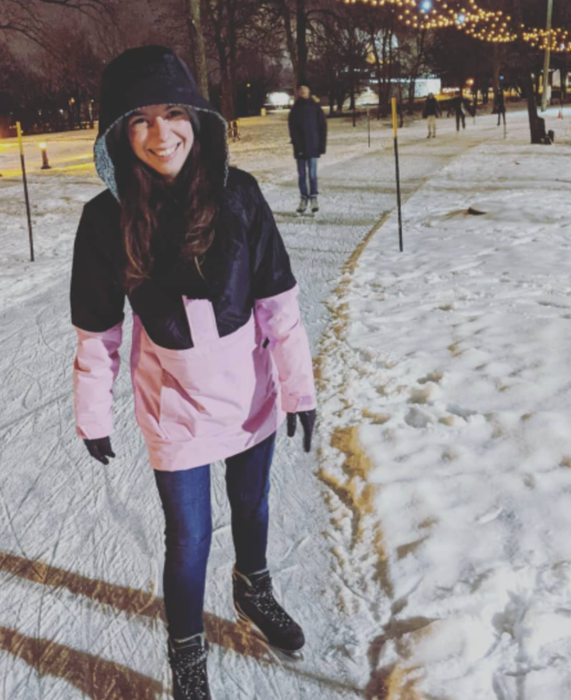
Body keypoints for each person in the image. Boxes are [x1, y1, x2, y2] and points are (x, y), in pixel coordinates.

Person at [72, 46, 316, 698]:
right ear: (118, 133)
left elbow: (277, 304)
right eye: (139, 120)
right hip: (173, 401)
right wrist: (92, 411)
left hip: (248, 392)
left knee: (252, 504)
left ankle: (253, 589)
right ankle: (186, 655)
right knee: (189, 535)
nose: (161, 134)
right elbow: (97, 330)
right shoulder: (104, 220)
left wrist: (298, 388)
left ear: (197, 117)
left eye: (173, 112)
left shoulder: (240, 196)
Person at [287, 85, 326, 214]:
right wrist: (297, 146)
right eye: (301, 91)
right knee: (302, 175)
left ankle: (313, 198)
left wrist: (321, 145)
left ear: (309, 92)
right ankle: (304, 199)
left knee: (313, 174)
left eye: (305, 91)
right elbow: (292, 130)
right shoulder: (295, 109)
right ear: (298, 93)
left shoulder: (315, 107)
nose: (303, 93)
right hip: (300, 148)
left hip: (313, 146)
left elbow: (322, 127)